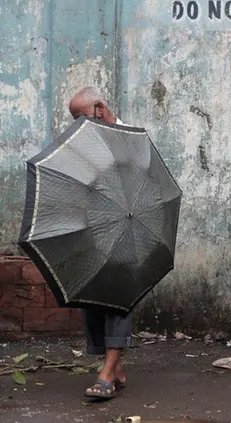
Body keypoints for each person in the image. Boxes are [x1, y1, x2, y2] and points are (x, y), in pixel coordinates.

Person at [68, 87, 133, 400]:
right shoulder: (86, 143)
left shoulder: (130, 139)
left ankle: (108, 369)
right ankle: (114, 365)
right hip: (93, 229)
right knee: (92, 298)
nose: (76, 126)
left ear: (98, 108)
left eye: (79, 117)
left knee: (119, 298)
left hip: (125, 230)